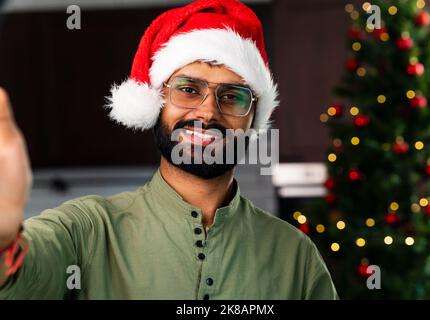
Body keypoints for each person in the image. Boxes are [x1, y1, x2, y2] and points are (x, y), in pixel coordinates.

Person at [0, 0, 338, 299]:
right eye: (188, 89)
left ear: (252, 120)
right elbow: (19, 278)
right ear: (157, 104)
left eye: (232, 96)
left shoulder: (297, 257)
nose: (207, 113)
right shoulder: (87, 230)